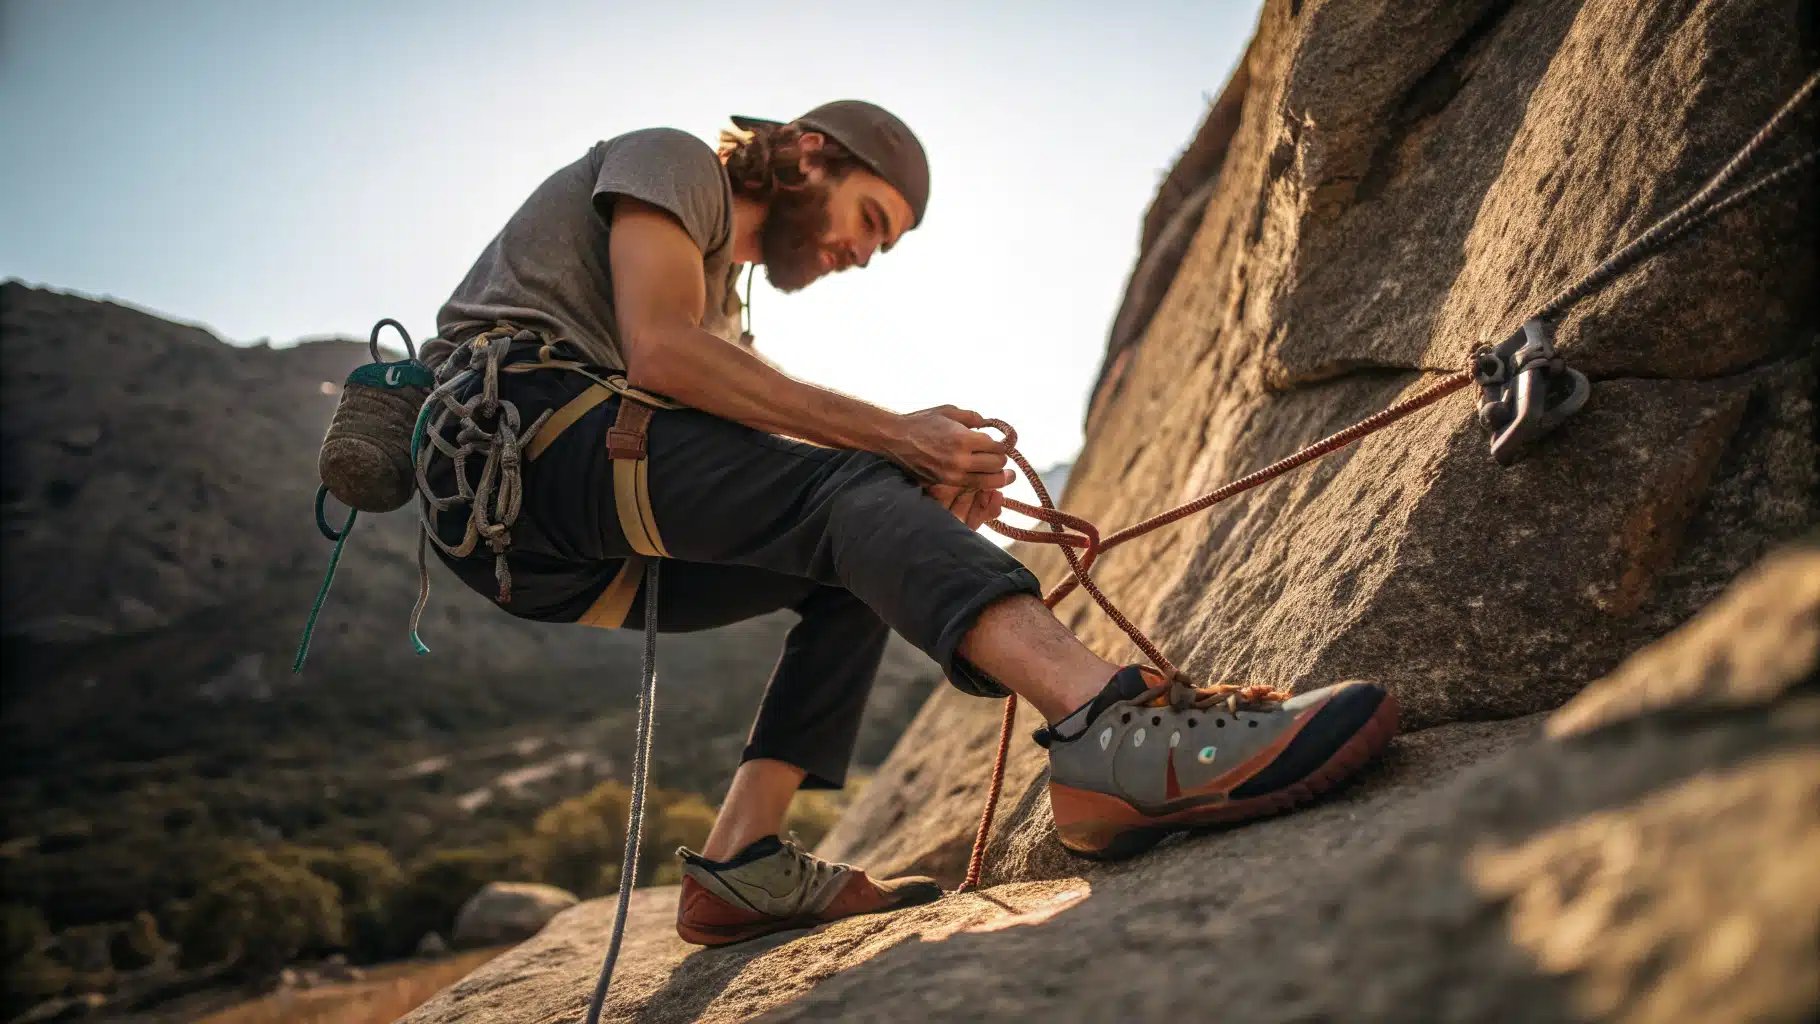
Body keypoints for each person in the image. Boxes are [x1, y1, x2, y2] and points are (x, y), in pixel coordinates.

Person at [419, 100, 1397, 947]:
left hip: (555, 542)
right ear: (807, 155)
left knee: (857, 548)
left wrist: (906, 484)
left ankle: (738, 864)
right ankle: (1105, 723)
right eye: (868, 218)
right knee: (855, 499)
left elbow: (751, 447)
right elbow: (662, 355)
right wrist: (897, 444)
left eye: (877, 243)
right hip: (527, 439)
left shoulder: (724, 300)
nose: (858, 252)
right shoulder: (673, 159)